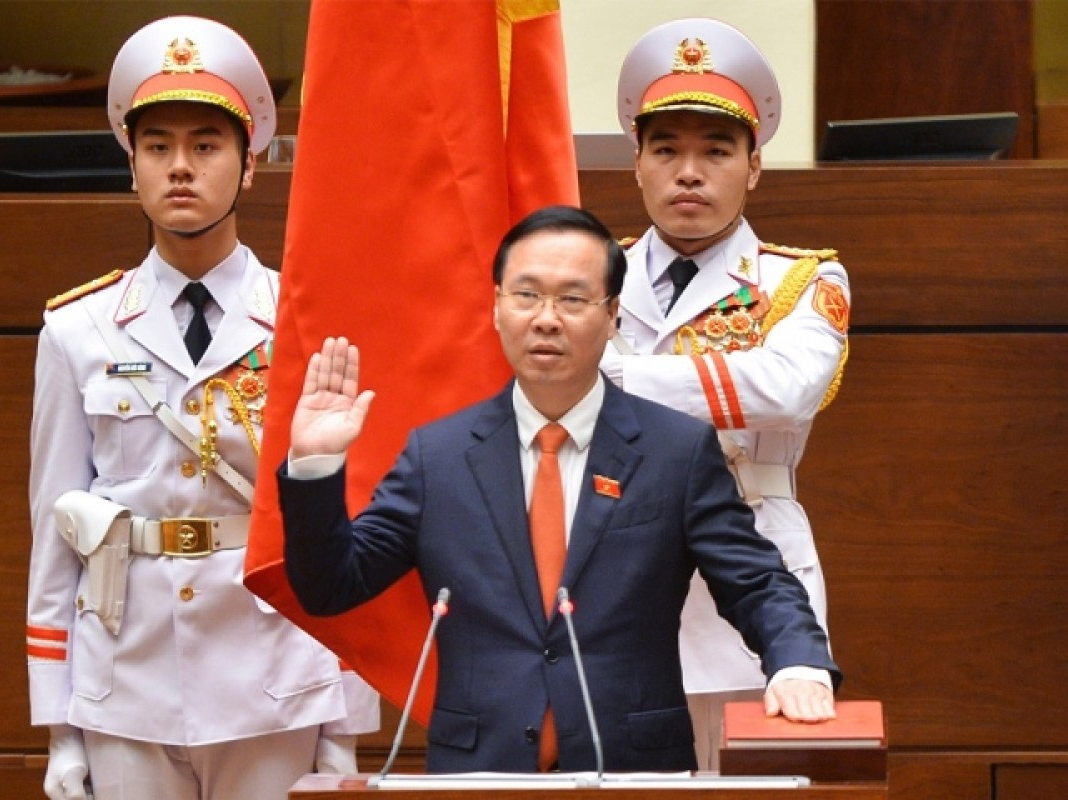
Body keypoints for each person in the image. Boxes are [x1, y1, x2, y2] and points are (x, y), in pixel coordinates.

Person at [277, 205, 838, 774]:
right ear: (496, 308)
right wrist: (315, 465)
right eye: (526, 295)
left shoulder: (676, 450)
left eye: (572, 299)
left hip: (633, 769)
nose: (546, 319)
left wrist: (797, 664)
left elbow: (757, 581)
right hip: (478, 773)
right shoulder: (438, 456)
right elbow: (331, 586)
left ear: (614, 314)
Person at [25, 16, 378, 800]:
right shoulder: (77, 328)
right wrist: (59, 726)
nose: (180, 168)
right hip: (129, 682)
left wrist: (348, 725)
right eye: (157, 147)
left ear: (250, 166)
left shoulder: (307, 323)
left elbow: (344, 529)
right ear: (131, 166)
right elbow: (54, 530)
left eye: (207, 145)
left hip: (275, 677)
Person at [605, 18, 852, 771]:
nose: (689, 172)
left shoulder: (801, 280)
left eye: (715, 151)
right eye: (667, 150)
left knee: (762, 780)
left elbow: (784, 390)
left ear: (753, 168)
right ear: (638, 164)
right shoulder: (590, 274)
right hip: (617, 560)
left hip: (754, 558)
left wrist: (612, 377)